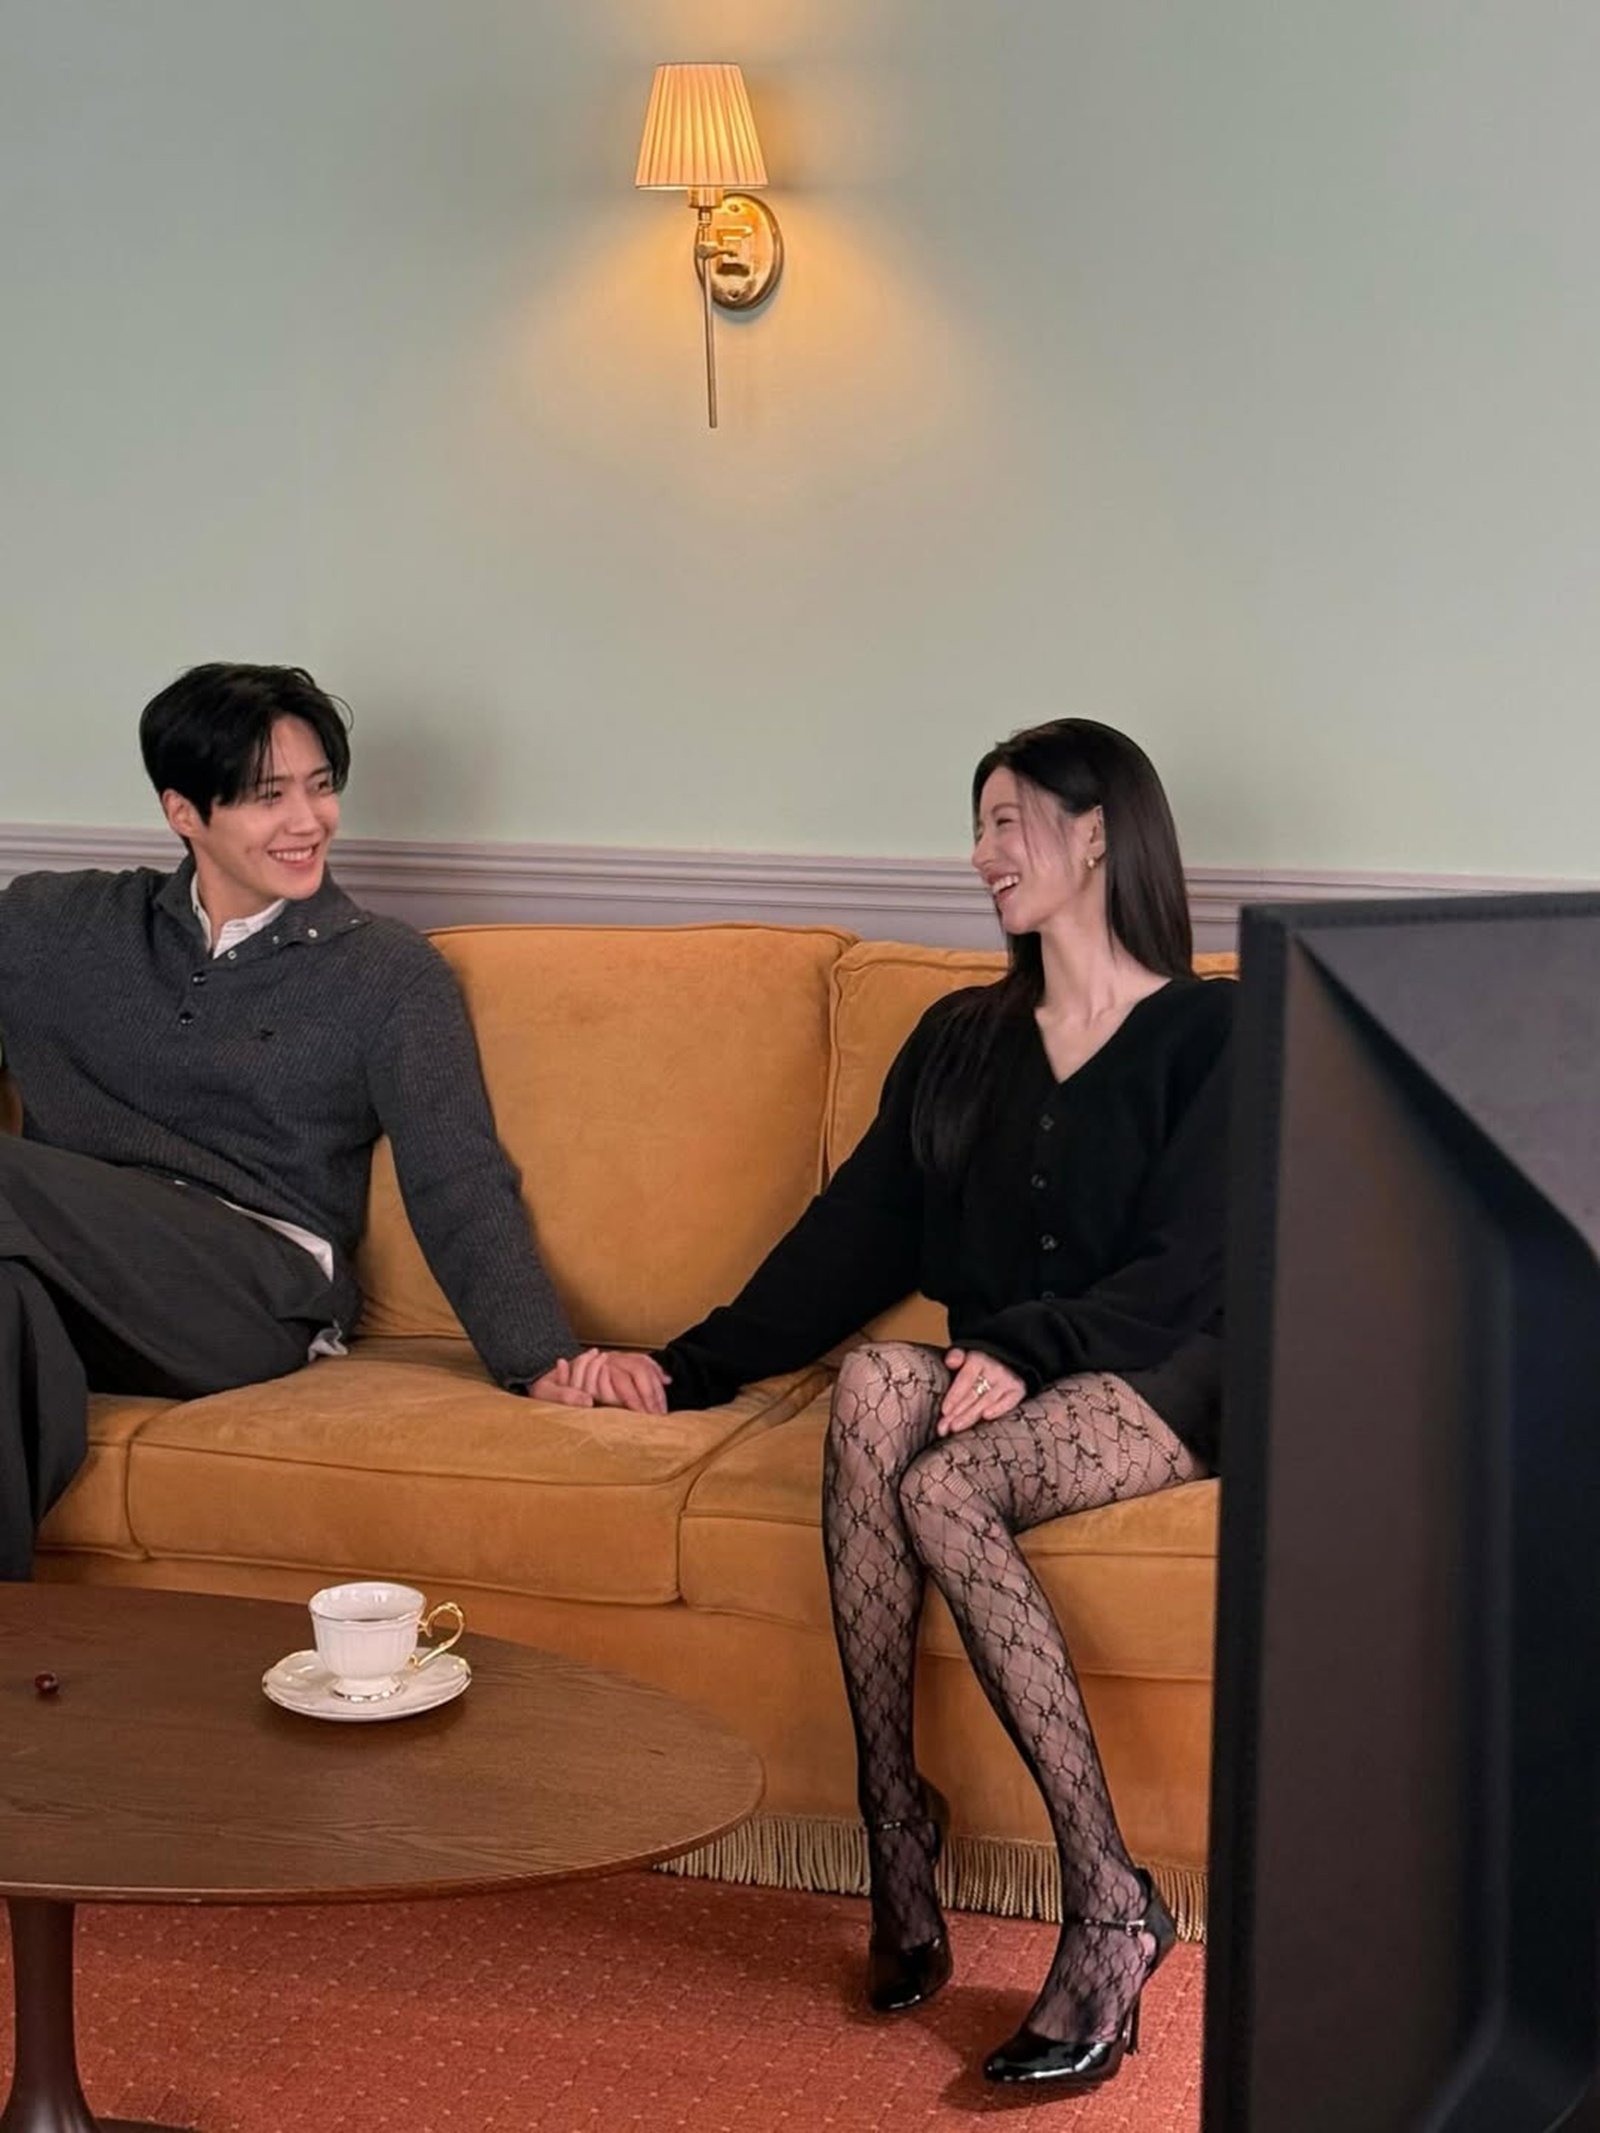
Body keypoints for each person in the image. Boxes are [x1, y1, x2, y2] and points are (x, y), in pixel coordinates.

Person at [567, 717, 1234, 2094]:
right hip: (1013, 1366)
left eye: (1006, 822)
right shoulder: (959, 1040)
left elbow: (1196, 1262)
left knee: (943, 1481)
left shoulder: (1214, 1028)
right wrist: (685, 1369)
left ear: (1094, 834)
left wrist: (1037, 1346)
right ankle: (895, 1816)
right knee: (876, 1381)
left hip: (1162, 1365)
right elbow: (851, 1240)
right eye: (976, 825)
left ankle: (1109, 1900)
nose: (981, 854)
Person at [0, 661, 599, 1580]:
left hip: (253, 1288)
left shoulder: (386, 973)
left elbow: (458, 1177)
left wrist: (542, 1356)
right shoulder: (58, 925)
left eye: (320, 787)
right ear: (183, 811)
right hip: (85, 1284)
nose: (308, 820)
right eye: (267, 795)